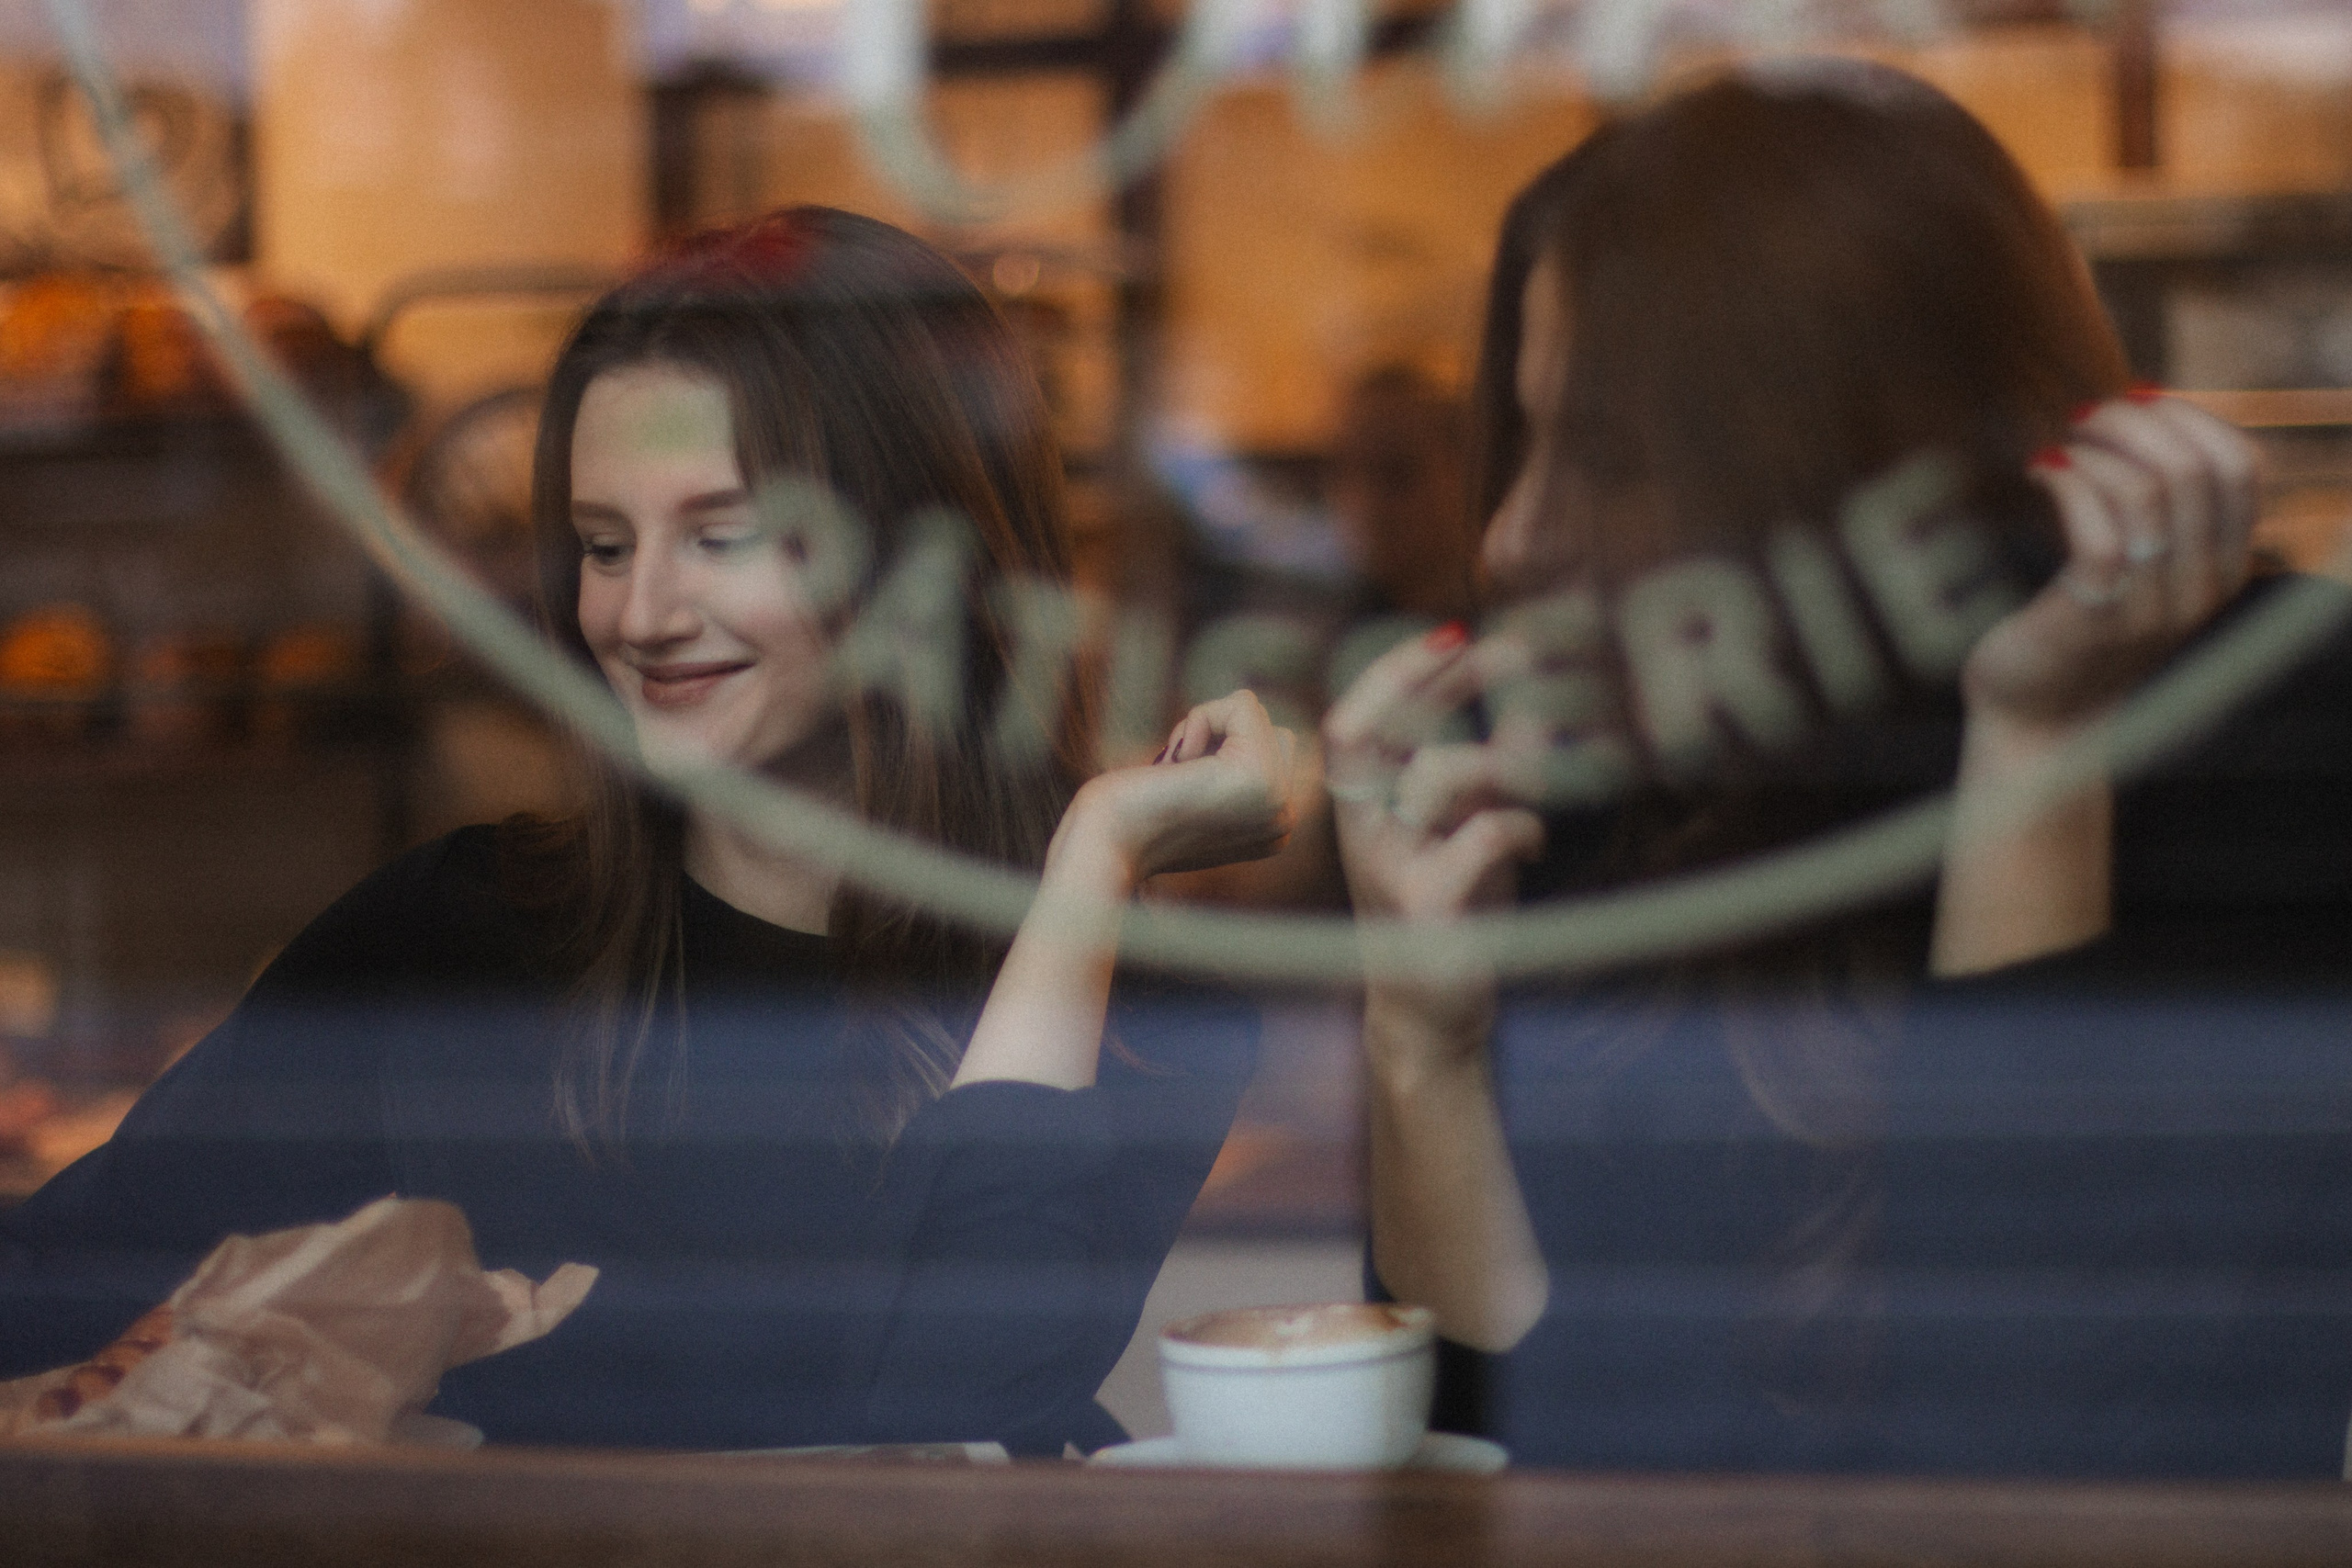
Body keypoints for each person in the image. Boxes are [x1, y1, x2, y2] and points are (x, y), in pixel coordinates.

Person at [0, 208, 1299, 1453]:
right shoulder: (454, 938)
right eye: (604, 546)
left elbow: (938, 1408)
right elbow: (53, 1281)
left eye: (721, 536)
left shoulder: (1137, 998)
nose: (642, 614)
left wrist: (1090, 867)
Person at [1326, 63, 2352, 1477]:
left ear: (1850, 471)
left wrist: (2037, 754)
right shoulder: (1611, 793)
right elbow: (1512, 1479)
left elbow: (2042, 1464)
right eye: (1531, 437)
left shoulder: (2266, 738)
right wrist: (1420, 1046)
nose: (1511, 539)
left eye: (1609, 455)